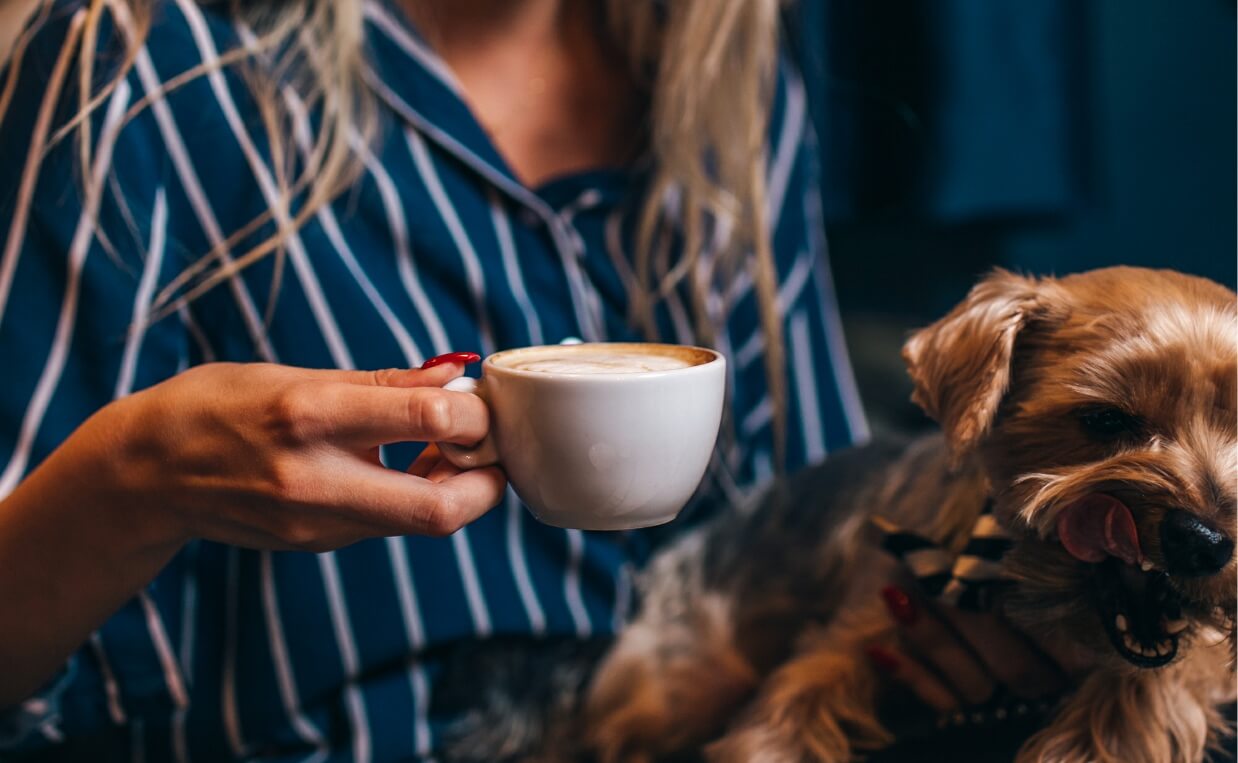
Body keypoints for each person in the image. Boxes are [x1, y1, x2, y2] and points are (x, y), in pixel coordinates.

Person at [0, 0, 1064, 760]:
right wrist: (133, 477)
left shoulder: (732, 93)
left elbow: (827, 518)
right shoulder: (146, 60)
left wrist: (927, 621)